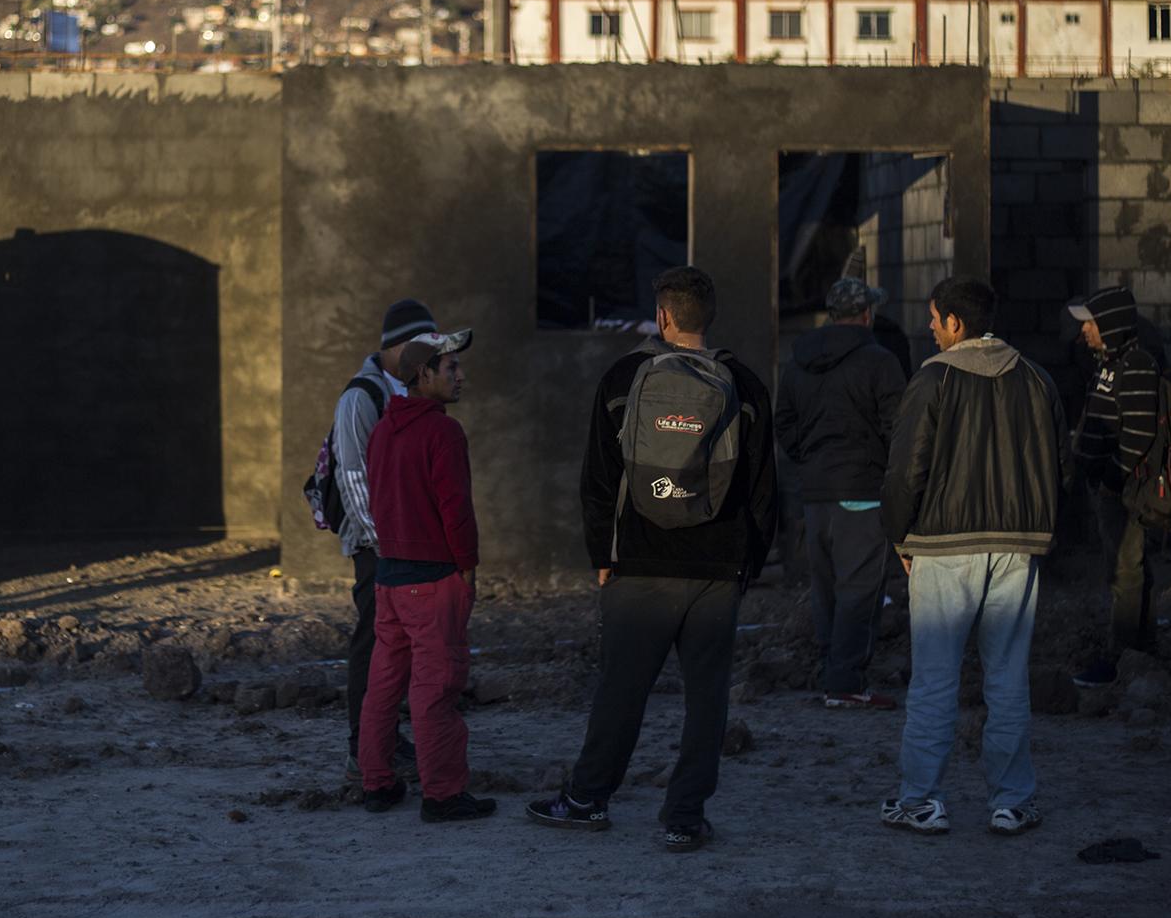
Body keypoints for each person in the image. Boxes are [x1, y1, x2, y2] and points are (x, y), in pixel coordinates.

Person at [527, 266, 776, 853]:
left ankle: (587, 800)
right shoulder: (744, 384)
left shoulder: (623, 378)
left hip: (637, 565)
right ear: (708, 316)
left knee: (621, 692)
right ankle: (684, 817)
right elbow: (764, 493)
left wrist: (601, 554)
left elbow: (596, 478)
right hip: (715, 572)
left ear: (662, 316)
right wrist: (748, 565)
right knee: (707, 700)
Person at [879, 277, 1067, 838]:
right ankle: (1012, 801)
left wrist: (900, 537)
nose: (929, 327)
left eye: (935, 318)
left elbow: (904, 469)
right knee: (1008, 678)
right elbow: (1062, 467)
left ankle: (921, 802)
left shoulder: (932, 379)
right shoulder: (1037, 379)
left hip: (942, 547)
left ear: (956, 323)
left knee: (935, 681)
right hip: (1017, 548)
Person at [357, 331, 496, 823]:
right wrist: (468, 568)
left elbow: (378, 503)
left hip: (389, 580)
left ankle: (377, 784)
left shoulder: (383, 431)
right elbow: (455, 508)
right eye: (451, 368)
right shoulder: (442, 432)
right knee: (435, 687)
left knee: (384, 685)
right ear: (424, 375)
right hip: (432, 582)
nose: (460, 377)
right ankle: (442, 795)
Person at [776, 277, 907, 710]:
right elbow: (899, 428)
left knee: (826, 586)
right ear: (867, 314)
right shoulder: (880, 361)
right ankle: (846, 682)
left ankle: (832, 671)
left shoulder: (797, 363)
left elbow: (785, 425)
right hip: (863, 491)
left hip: (815, 494)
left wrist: (809, 462)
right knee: (860, 587)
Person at [333, 299, 445, 782]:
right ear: (397, 347)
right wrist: (386, 546)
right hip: (377, 547)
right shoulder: (361, 397)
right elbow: (354, 479)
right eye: (423, 347)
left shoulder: (408, 387)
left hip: (404, 546)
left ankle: (385, 740)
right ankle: (364, 744)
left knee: (398, 647)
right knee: (374, 645)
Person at [1066, 284, 1164, 689]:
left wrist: (1110, 481)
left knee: (1126, 573)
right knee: (1124, 571)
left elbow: (1138, 435)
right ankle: (1140, 650)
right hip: (1108, 490)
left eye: (1089, 324)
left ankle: (1121, 659)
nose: (1084, 332)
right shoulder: (1108, 364)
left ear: (1110, 325)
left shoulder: (1137, 366)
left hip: (1124, 492)